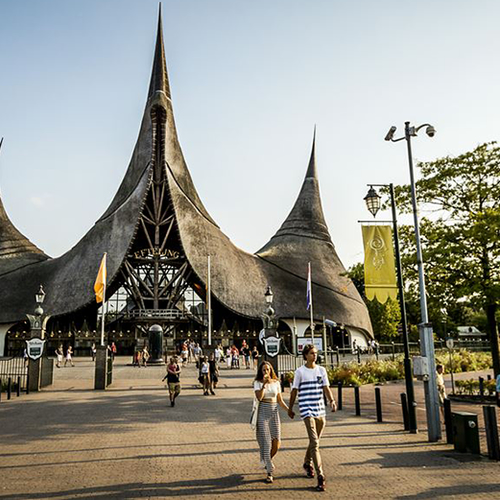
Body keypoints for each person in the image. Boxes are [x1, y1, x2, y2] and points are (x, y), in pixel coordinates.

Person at [288, 344, 336, 492]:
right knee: (315, 442)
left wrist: (332, 401)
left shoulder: (321, 370)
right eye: (311, 353)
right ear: (305, 355)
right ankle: (321, 476)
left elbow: (326, 388)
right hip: (306, 408)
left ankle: (307, 462)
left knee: (315, 441)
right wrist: (290, 408)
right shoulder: (300, 372)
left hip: (320, 408)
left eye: (315, 353)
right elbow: (294, 391)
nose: (314, 355)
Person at [254, 361, 293, 484]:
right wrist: (264, 385)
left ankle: (266, 460)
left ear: (271, 370)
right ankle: (269, 472)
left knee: (276, 442)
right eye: (264, 370)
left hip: (274, 412)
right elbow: (259, 397)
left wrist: (288, 410)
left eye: (268, 369)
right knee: (266, 442)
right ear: (261, 371)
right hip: (262, 413)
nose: (266, 372)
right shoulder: (257, 383)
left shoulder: (276, 383)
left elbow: (280, 400)